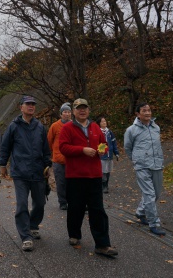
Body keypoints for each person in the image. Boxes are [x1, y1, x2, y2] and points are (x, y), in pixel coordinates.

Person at [59, 99, 118, 257]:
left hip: (94, 175)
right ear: (73, 111)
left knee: (98, 210)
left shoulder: (95, 127)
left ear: (88, 110)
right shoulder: (67, 128)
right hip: (75, 176)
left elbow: (104, 144)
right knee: (75, 208)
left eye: (84, 108)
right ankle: (74, 234)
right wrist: (82, 150)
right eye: (79, 109)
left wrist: (101, 150)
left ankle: (102, 244)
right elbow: (63, 147)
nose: (82, 111)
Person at [0, 96, 52, 252]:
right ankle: (26, 237)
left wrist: (48, 164)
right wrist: (2, 164)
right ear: (20, 107)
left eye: (33, 104)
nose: (31, 106)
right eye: (28, 104)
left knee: (40, 203)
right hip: (20, 172)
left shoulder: (39, 127)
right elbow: (5, 146)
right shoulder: (13, 126)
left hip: (38, 171)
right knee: (22, 204)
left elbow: (45, 148)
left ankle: (33, 225)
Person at [124, 103, 165, 236]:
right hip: (142, 166)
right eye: (144, 111)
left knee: (157, 193)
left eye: (149, 110)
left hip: (157, 164)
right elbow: (127, 147)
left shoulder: (156, 127)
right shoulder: (131, 130)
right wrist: (136, 160)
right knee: (149, 194)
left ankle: (141, 212)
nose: (147, 113)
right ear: (138, 114)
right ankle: (154, 223)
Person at [47, 102, 71, 210]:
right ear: (61, 114)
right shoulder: (55, 126)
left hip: (72, 159)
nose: (67, 114)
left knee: (72, 182)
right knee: (60, 182)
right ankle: (62, 202)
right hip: (58, 159)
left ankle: (72, 201)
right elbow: (49, 140)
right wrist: (54, 152)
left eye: (69, 112)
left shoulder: (74, 125)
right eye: (65, 112)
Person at [97, 117, 119, 194]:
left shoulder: (109, 132)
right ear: (99, 123)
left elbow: (114, 143)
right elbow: (100, 143)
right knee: (103, 171)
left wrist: (116, 153)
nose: (104, 122)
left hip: (110, 156)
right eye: (102, 121)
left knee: (108, 171)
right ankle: (103, 186)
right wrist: (102, 152)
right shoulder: (98, 132)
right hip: (102, 156)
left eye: (105, 121)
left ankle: (106, 184)